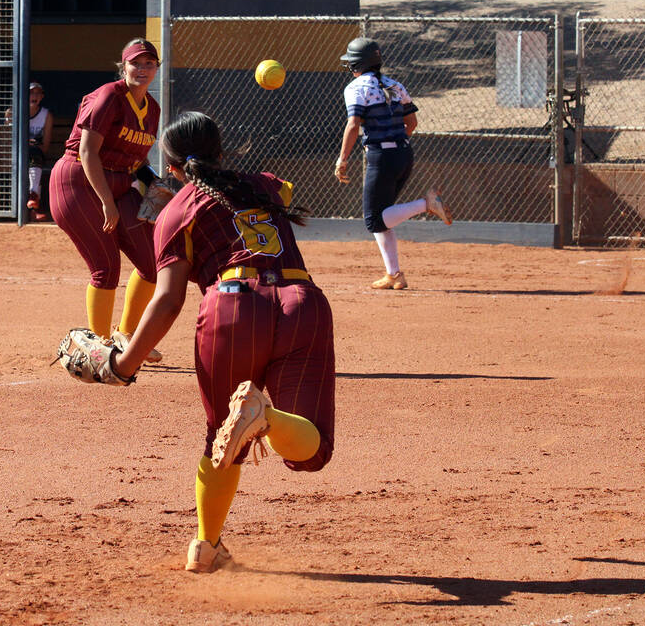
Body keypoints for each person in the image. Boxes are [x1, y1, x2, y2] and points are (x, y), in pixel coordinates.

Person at [97, 110, 336, 574]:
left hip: (231, 305)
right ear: (221, 151)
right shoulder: (263, 184)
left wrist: (125, 363)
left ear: (169, 167)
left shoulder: (175, 211)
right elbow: (280, 190)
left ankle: (206, 545)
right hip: (301, 300)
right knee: (312, 450)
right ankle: (266, 417)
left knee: (221, 441)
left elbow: (167, 302)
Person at [48, 38, 161, 343]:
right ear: (123, 66)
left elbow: (138, 162)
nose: (143, 68)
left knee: (152, 263)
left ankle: (126, 336)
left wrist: (161, 199)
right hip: (79, 182)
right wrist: (107, 202)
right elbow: (87, 152)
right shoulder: (109, 96)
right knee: (106, 268)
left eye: (149, 63)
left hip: (120, 184)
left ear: (156, 68)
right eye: (136, 62)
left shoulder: (153, 109)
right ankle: (98, 346)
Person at [333, 37, 452, 290]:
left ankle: (426, 204)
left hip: (381, 158)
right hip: (403, 155)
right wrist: (396, 142)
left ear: (356, 64)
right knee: (382, 216)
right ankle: (394, 274)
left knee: (373, 220)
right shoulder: (395, 85)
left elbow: (353, 125)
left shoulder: (355, 88)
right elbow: (412, 124)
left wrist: (342, 159)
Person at [5, 81, 53, 221]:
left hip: (35, 155)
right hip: (15, 155)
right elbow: (7, 141)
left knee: (34, 155)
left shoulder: (46, 115)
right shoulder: (12, 112)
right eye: (31, 92)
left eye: (38, 93)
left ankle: (33, 203)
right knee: (28, 154)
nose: (35, 95)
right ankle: (32, 205)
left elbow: (45, 147)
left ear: (42, 97)